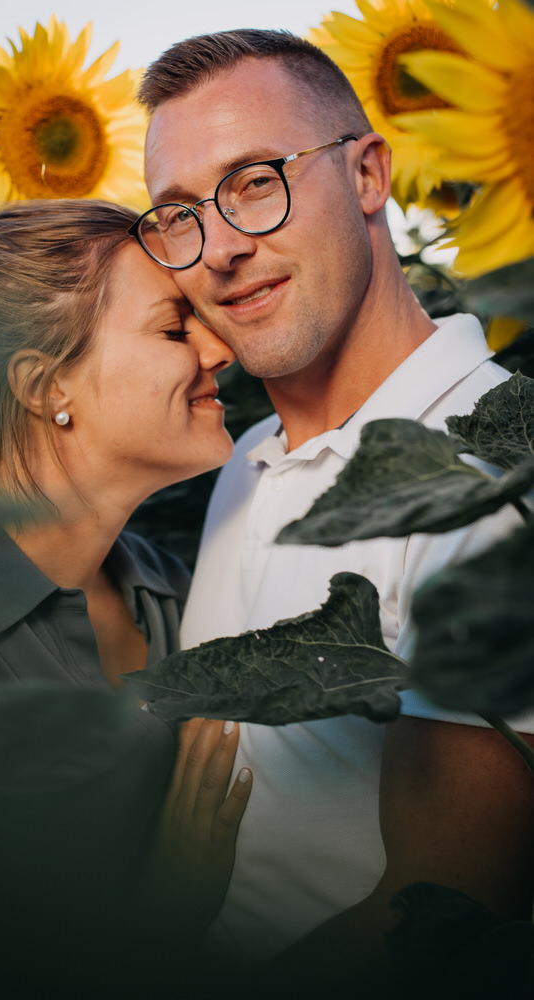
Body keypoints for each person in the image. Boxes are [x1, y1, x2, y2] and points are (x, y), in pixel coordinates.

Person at [130, 28, 534, 994]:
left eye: (256, 180)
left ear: (366, 175)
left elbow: (439, 913)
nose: (220, 248)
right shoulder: (245, 460)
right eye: (178, 212)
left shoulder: (482, 475)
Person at [0, 200, 251, 995]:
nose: (221, 348)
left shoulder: (171, 586)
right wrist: (165, 914)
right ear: (45, 387)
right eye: (175, 329)